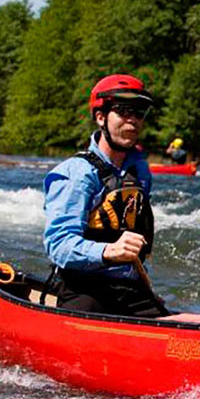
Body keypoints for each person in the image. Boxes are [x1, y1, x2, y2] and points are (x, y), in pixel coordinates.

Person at [42, 74, 171, 317]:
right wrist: (107, 251)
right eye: (123, 111)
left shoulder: (140, 172)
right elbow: (58, 246)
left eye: (139, 112)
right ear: (101, 117)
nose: (132, 120)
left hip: (128, 288)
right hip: (83, 288)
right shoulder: (76, 174)